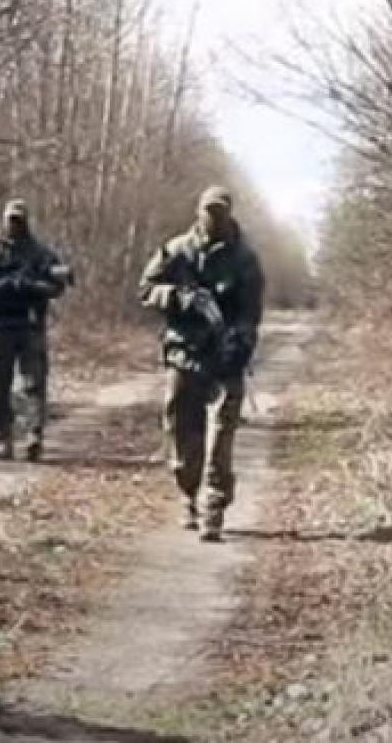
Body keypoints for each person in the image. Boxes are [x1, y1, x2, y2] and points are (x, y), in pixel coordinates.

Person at [138, 185, 264, 542]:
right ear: (198, 212)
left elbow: (251, 311)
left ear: (229, 214)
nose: (214, 219)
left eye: (220, 212)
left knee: (221, 433)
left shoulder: (245, 259)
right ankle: (189, 493)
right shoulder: (176, 250)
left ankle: (214, 505)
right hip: (185, 351)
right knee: (181, 427)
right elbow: (146, 289)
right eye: (209, 211)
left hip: (225, 356)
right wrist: (178, 298)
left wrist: (240, 341)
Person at [0, 199, 70, 461]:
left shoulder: (40, 253)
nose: (15, 225)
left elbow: (58, 285)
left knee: (33, 384)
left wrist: (33, 287)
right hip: (1, 324)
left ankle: (33, 437)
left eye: (19, 220)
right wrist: (6, 286)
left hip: (29, 324)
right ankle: (4, 438)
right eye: (11, 220)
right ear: (4, 220)